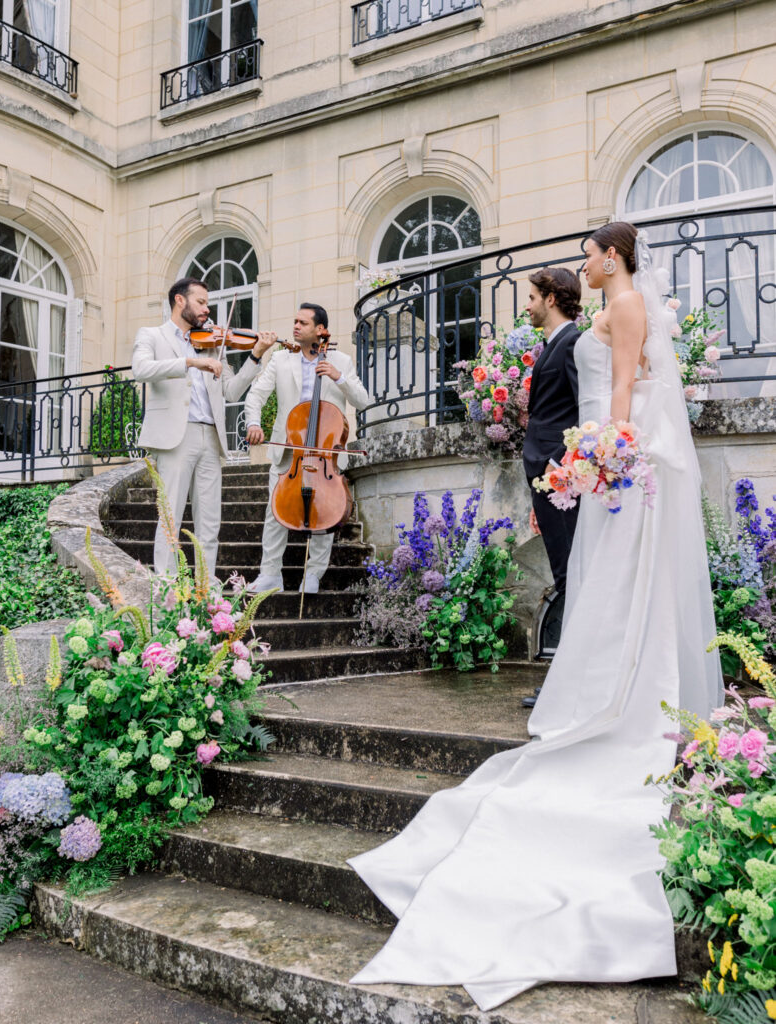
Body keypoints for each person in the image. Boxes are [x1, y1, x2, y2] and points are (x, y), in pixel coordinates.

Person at [347, 222, 724, 1009]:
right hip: (612, 456)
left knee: (615, 587)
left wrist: (604, 452)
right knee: (597, 588)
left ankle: (620, 701)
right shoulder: (610, 305)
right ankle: (605, 686)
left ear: (610, 257)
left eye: (589, 253)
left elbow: (624, 388)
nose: (581, 263)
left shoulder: (622, 309)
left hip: (618, 457)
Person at [132, 277, 276, 579]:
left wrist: (256, 355)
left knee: (210, 521)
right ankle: (166, 591)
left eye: (207, 304)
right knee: (169, 517)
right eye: (201, 302)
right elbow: (141, 369)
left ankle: (205, 589)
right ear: (179, 301)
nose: (206, 310)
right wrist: (190, 362)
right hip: (176, 438)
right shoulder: (153, 335)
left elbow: (233, 391)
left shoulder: (211, 345)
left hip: (211, 437)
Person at [244, 302, 369, 594]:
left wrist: (339, 377)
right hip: (289, 448)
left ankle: (312, 575)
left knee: (325, 512)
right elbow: (256, 395)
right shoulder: (281, 360)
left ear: (320, 330)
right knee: (274, 513)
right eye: (295, 321)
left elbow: (362, 400)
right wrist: (253, 423)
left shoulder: (341, 360)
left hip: (326, 451)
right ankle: (270, 574)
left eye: (303, 322)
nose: (296, 326)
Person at [521, 267, 582, 707]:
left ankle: (569, 685)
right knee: (568, 576)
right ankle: (569, 681)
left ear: (552, 298)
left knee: (570, 577)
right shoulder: (553, 344)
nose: (527, 305)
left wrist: (559, 474)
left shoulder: (574, 344)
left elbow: (584, 412)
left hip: (561, 479)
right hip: (546, 481)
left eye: (531, 297)